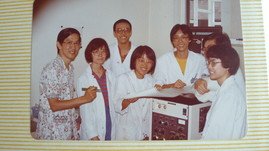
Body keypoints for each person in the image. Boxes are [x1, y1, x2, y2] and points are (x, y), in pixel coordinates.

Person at [35, 28, 97, 140]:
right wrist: (84, 98)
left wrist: (77, 119)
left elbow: (66, 100)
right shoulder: (52, 69)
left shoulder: (70, 68)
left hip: (67, 131)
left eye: (76, 43)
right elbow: (54, 105)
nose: (73, 47)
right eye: (69, 42)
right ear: (59, 45)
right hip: (52, 134)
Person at [201, 44, 247, 140]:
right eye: (208, 62)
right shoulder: (226, 91)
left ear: (227, 65)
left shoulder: (229, 96)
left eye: (213, 63)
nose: (209, 66)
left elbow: (220, 135)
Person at [114, 45, 156, 140]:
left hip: (145, 132)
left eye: (149, 62)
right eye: (141, 60)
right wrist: (128, 101)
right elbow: (116, 106)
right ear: (134, 60)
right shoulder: (123, 79)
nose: (145, 65)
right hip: (126, 133)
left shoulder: (151, 81)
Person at [77, 38, 116, 141]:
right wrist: (93, 136)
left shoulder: (111, 75)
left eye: (103, 51)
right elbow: (85, 111)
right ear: (90, 54)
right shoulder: (83, 79)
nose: (100, 54)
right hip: (93, 122)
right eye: (96, 52)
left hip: (110, 118)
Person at [153, 24, 208, 92]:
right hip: (170, 100)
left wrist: (201, 81)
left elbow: (207, 78)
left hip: (194, 100)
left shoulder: (200, 60)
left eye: (184, 37)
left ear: (189, 39)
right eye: (176, 38)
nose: (180, 41)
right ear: (172, 41)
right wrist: (171, 85)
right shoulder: (162, 61)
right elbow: (157, 86)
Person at [194, 32, 245, 101]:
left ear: (223, 48)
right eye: (204, 49)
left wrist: (198, 83)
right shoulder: (211, 64)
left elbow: (203, 87)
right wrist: (198, 82)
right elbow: (202, 96)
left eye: (210, 47)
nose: (206, 52)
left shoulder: (228, 67)